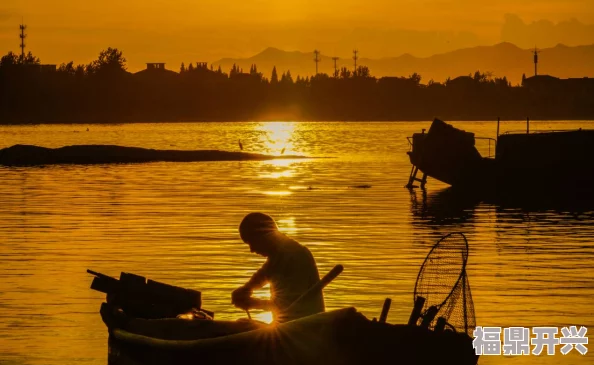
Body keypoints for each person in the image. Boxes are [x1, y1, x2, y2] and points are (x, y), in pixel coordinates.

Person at [232, 213, 325, 323]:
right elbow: (264, 274)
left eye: (251, 243)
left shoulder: (295, 256)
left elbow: (287, 306)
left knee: (243, 325)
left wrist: (253, 303)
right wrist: (246, 289)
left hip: (302, 327)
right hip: (285, 327)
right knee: (242, 323)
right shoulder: (278, 255)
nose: (251, 250)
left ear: (263, 237)